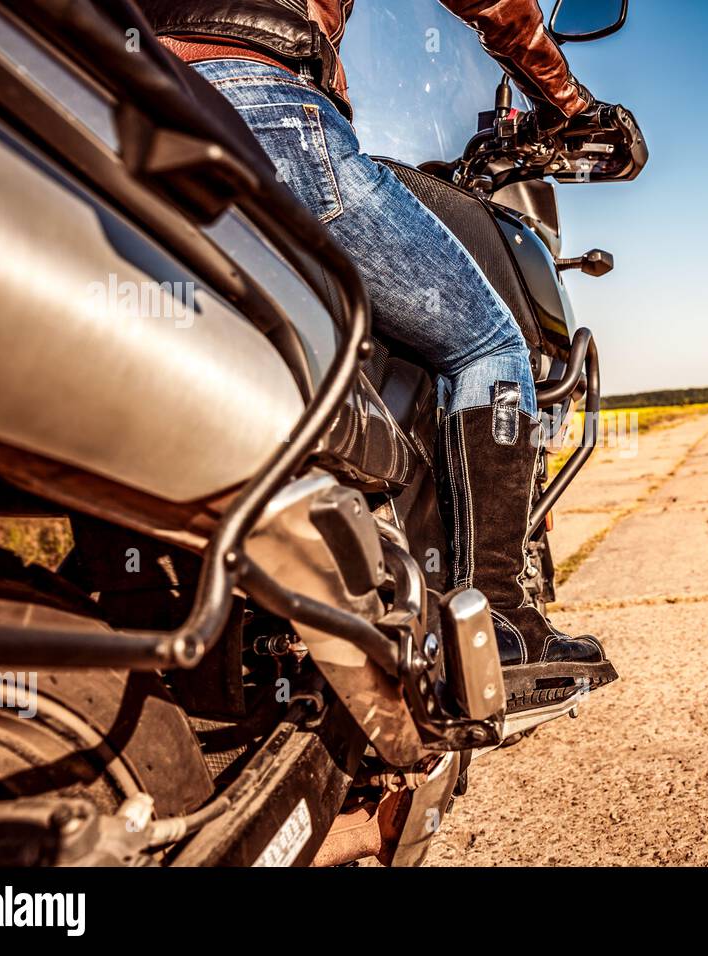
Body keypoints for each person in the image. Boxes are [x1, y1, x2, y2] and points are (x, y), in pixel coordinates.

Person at [138, 0, 617, 699]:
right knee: (487, 345)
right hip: (266, 107)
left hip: (128, 105)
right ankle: (501, 626)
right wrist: (569, 102)